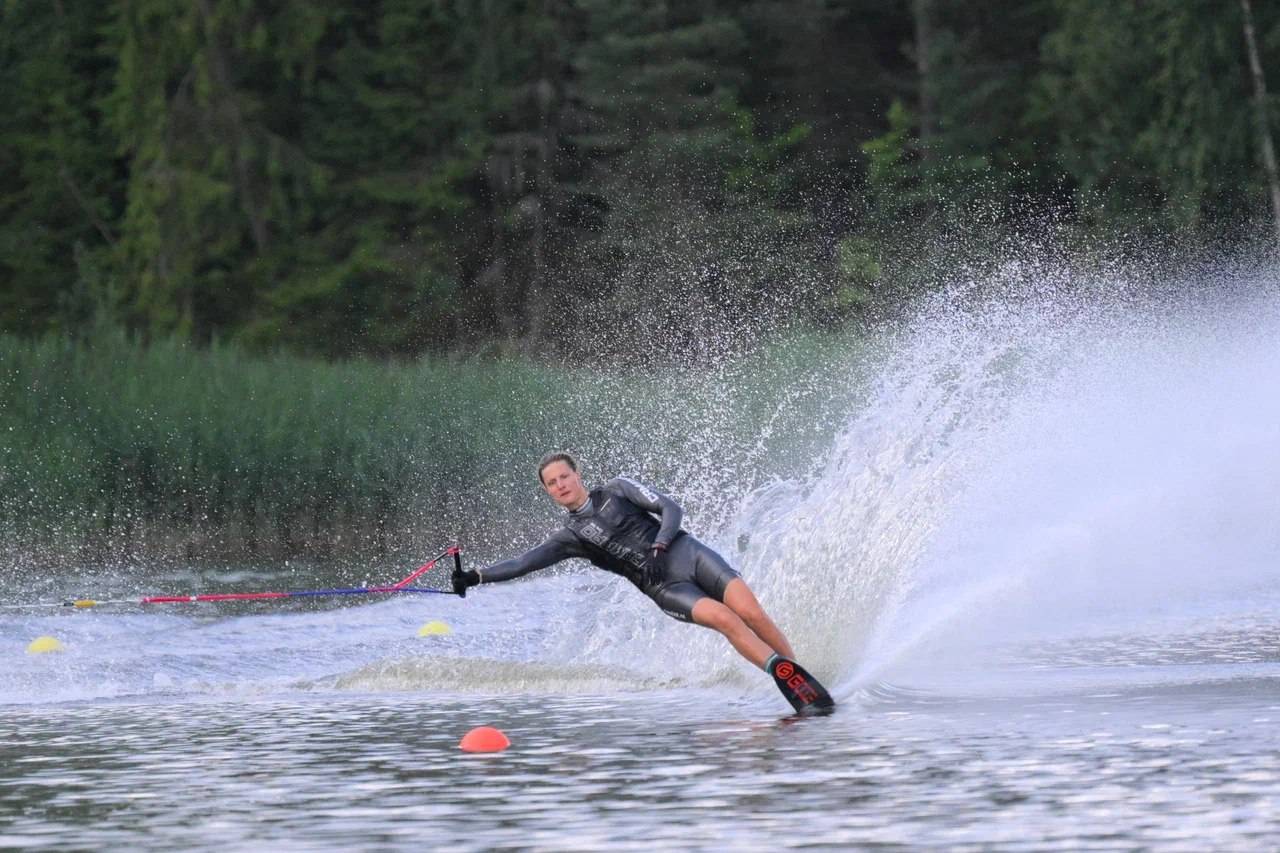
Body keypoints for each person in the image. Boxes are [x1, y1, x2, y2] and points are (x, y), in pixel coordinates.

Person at [452, 451, 802, 675]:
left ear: (577, 474)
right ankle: (782, 674)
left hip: (687, 553)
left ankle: (799, 671)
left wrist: (660, 545)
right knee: (725, 619)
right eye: (552, 483)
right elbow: (524, 562)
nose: (560, 485)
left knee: (751, 612)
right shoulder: (569, 537)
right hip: (664, 587)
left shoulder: (618, 490)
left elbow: (671, 509)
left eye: (564, 477)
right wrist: (476, 576)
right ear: (547, 492)